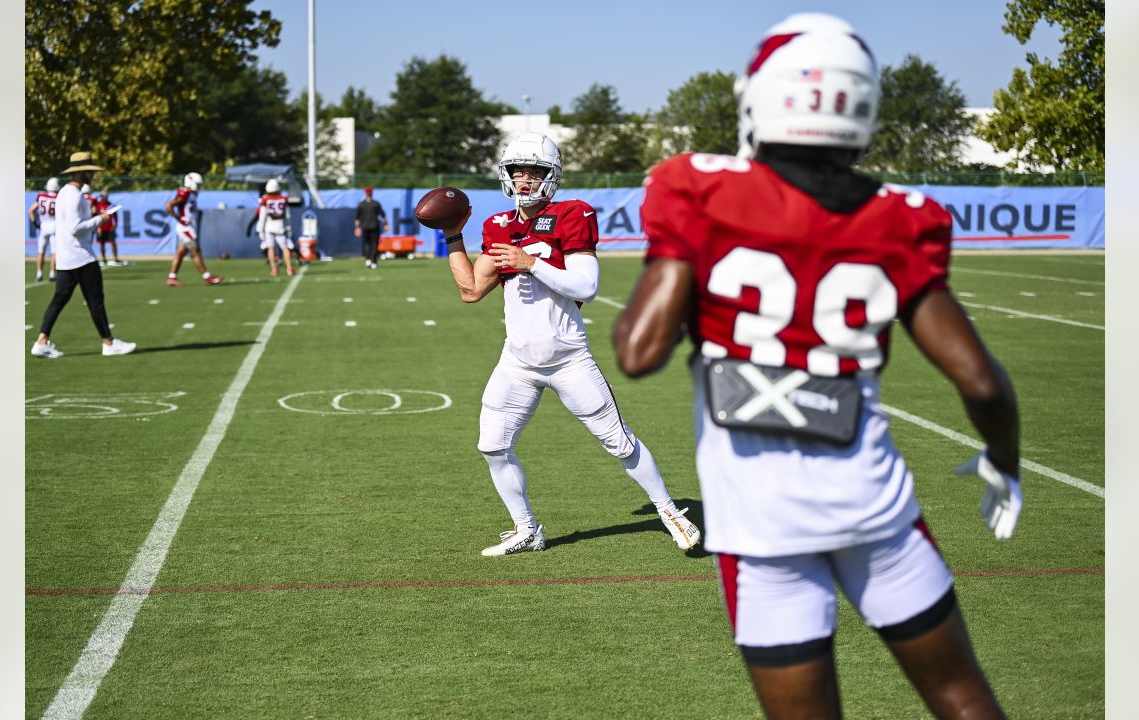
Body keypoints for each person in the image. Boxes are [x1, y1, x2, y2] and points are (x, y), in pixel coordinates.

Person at [613, 14, 1021, 720]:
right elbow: (981, 382)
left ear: (760, 97)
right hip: (876, 510)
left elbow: (637, 352)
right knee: (962, 699)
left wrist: (683, 261)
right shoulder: (900, 216)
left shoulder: (699, 189)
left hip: (761, 530)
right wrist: (1003, 461)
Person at [439, 131, 701, 557]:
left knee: (618, 441)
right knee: (492, 445)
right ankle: (526, 530)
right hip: (517, 362)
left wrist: (531, 262)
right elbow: (470, 290)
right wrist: (453, 236)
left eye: (534, 171)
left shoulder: (572, 213)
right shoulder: (498, 225)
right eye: (517, 171)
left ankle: (669, 511)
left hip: (567, 359)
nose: (524, 180)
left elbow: (587, 285)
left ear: (552, 175)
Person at [30, 151, 136, 359]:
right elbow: (75, 228)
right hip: (80, 257)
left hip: (68, 257)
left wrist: (96, 217)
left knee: (59, 300)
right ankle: (108, 342)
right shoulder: (74, 195)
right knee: (95, 300)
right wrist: (101, 219)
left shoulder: (65, 193)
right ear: (82, 172)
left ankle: (42, 341)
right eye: (90, 171)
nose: (93, 175)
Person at [165, 171, 224, 287]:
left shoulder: (191, 194)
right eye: (198, 184)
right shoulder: (185, 193)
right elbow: (169, 206)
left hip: (187, 226)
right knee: (196, 251)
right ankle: (208, 277)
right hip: (185, 228)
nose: (200, 187)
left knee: (181, 252)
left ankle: (172, 278)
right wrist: (179, 218)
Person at [257, 179, 295, 276]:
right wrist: (289, 226)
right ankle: (289, 268)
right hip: (280, 227)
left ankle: (274, 269)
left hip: (269, 228)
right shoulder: (284, 198)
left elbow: (263, 216)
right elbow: (288, 216)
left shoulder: (265, 199)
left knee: (271, 248)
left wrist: (260, 230)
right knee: (285, 248)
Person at [28, 177, 59, 282]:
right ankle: (52, 273)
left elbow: (31, 210)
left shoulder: (41, 196)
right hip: (55, 226)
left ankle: (39, 273)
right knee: (54, 252)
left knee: (41, 251)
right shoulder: (59, 198)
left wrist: (34, 223)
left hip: (44, 226)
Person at [354, 186, 388, 269]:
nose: (368, 194)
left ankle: (374, 261)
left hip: (374, 227)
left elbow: (382, 215)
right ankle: (368, 259)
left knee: (374, 245)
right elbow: (357, 217)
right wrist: (357, 227)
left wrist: (386, 224)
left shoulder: (376, 204)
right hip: (365, 227)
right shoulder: (361, 204)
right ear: (366, 193)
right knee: (367, 244)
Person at [94, 188, 123, 266]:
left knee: (113, 243)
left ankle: (115, 258)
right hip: (101, 227)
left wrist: (115, 225)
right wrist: (98, 227)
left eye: (105, 196)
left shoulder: (111, 205)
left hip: (109, 228)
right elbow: (96, 216)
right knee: (102, 243)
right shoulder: (98, 205)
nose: (104, 197)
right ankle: (104, 259)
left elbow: (115, 217)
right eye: (103, 196)